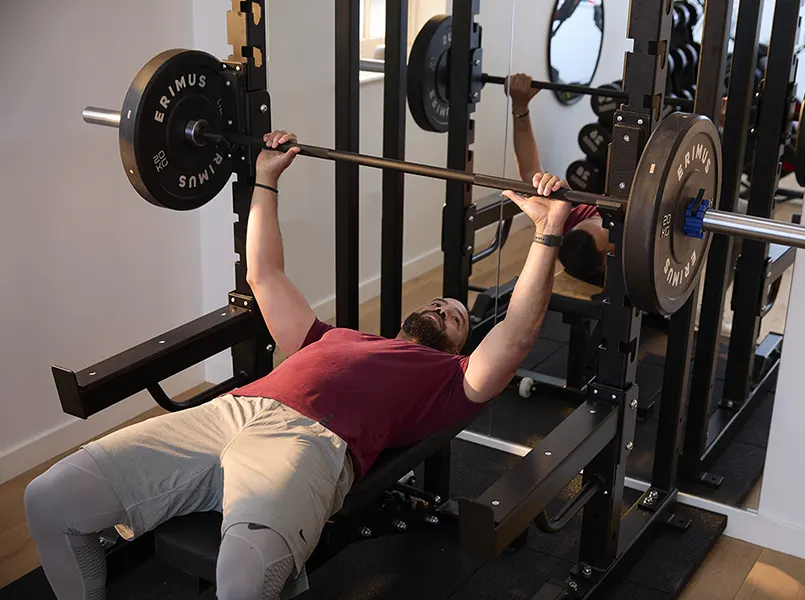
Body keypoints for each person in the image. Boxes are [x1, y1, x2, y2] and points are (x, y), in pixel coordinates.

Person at [24, 130, 573, 600]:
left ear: (458, 347)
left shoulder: (449, 382)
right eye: (439, 302)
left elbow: (518, 332)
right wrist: (266, 179)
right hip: (226, 415)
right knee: (49, 499)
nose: (441, 306)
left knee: (242, 579)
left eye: (455, 316)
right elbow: (263, 275)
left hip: (310, 445)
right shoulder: (329, 337)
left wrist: (547, 232)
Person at [506, 73, 613, 287]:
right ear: (608, 256)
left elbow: (529, 171)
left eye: (593, 220)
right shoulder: (635, 242)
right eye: (603, 226)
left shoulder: (561, 222)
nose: (599, 217)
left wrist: (519, 105)